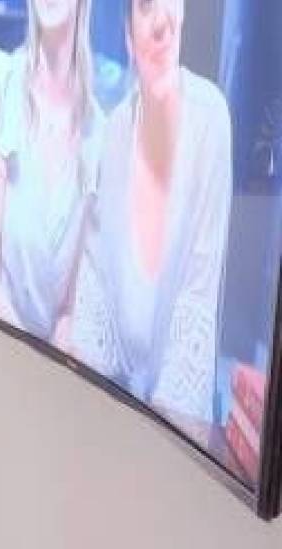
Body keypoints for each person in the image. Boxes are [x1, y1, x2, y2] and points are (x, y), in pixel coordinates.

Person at [71, 0, 233, 431]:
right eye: (146, 5)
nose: (161, 20)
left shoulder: (210, 118)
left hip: (176, 426)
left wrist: (154, 436)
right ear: (128, 35)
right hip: (112, 409)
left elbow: (198, 294)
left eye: (170, 3)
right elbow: (94, 281)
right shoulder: (114, 130)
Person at [0, 0, 104, 349]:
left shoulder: (97, 132)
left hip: (47, 362)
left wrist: (59, 348)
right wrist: (34, 360)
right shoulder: (4, 85)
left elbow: (68, 307)